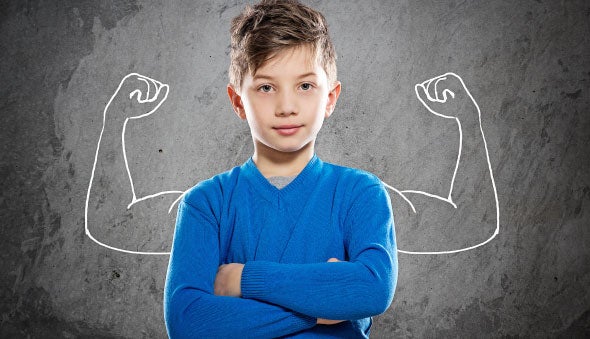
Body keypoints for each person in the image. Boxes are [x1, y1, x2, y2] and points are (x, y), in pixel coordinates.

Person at [163, 0, 397, 337]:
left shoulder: (360, 192)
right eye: (266, 87)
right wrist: (320, 310)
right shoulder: (206, 203)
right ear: (238, 101)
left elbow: (371, 289)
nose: (286, 107)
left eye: (305, 86)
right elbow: (189, 322)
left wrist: (244, 279)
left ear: (329, 98)